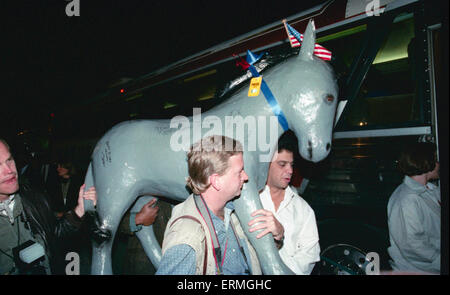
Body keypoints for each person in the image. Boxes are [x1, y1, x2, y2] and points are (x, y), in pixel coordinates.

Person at [156, 135, 284, 275]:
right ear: (216, 181)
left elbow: (253, 258)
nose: (246, 177)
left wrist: (277, 236)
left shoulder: (231, 209)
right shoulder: (186, 238)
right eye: (239, 171)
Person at [0, 138, 97, 275]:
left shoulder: (33, 198)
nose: (9, 170)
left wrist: (79, 209)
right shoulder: (50, 185)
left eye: (9, 160)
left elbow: (53, 238)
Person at [258, 130, 321, 275]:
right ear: (265, 165)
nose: (290, 170)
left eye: (291, 165)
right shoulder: (251, 200)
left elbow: (309, 257)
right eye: (282, 164)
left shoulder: (303, 209)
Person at [387, 142, 440, 274]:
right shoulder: (406, 200)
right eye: (436, 159)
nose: (439, 164)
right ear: (426, 162)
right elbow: (412, 245)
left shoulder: (430, 190)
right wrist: (439, 260)